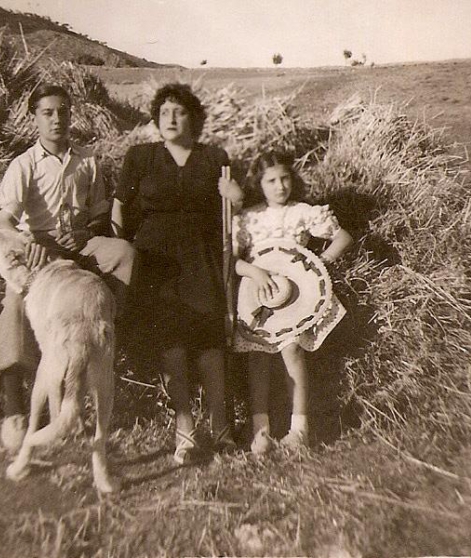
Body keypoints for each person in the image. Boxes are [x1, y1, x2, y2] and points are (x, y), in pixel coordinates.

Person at [0, 83, 135, 452]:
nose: (57, 119)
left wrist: (103, 240)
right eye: (48, 112)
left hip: (81, 242)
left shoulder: (87, 160)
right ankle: (13, 407)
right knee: (15, 303)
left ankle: (100, 340)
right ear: (35, 118)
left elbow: (100, 215)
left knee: (124, 254)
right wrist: (29, 245)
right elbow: (4, 222)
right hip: (41, 248)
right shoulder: (24, 165)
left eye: (63, 111)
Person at [111, 83, 243, 464]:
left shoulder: (214, 157)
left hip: (201, 257)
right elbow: (120, 206)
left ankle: (221, 429)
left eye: (180, 111)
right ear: (155, 118)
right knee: (171, 346)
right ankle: (184, 431)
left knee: (209, 344)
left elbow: (233, 210)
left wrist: (236, 195)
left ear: (194, 118)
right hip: (156, 259)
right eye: (165, 111)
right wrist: (123, 249)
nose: (171, 118)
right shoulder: (141, 157)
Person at [232, 151, 353, 454]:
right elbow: (230, 260)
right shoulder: (248, 218)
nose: (280, 186)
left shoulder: (302, 212)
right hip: (258, 295)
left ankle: (299, 430)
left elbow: (343, 238)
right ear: (258, 185)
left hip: (294, 297)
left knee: (292, 350)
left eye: (285, 178)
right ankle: (261, 431)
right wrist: (253, 271)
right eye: (271, 181)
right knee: (257, 357)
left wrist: (317, 265)